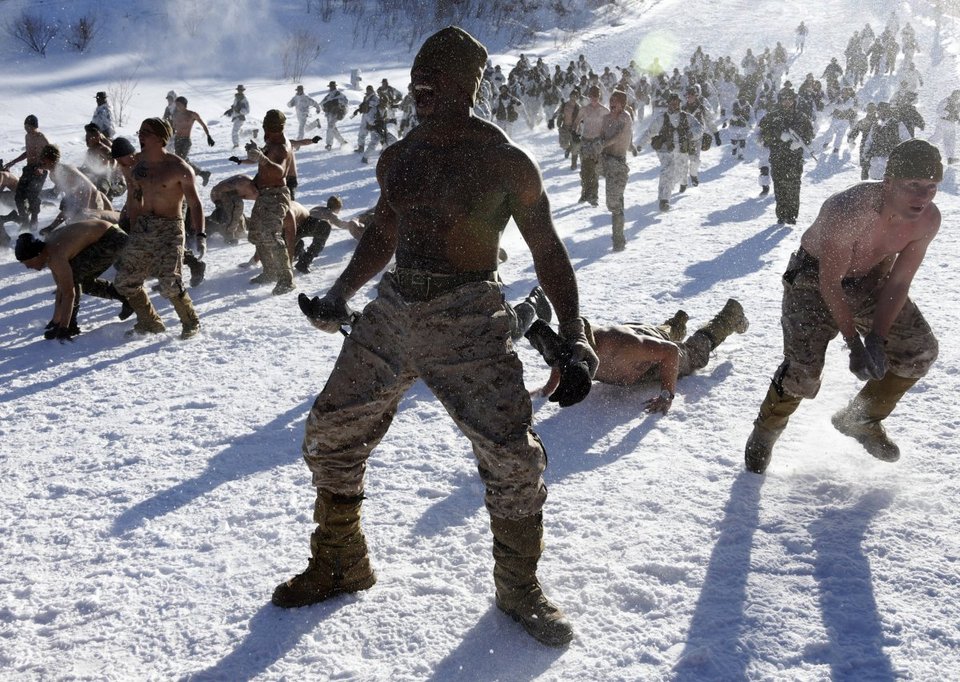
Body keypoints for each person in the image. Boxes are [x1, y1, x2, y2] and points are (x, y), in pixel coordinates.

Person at [274, 26, 598, 648]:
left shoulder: (506, 161)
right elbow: (383, 234)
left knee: (511, 456)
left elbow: (549, 251)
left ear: (469, 84)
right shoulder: (399, 157)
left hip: (471, 315)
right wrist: (341, 295)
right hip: (394, 310)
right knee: (331, 432)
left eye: (436, 76)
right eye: (417, 74)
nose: (421, 86)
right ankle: (341, 561)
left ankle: (518, 589)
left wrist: (573, 329)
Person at [744, 140, 942, 474]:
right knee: (803, 371)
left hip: (870, 280)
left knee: (918, 351)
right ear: (888, 181)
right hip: (813, 278)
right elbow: (829, 284)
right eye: (912, 186)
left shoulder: (927, 221)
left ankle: (862, 418)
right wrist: (854, 343)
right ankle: (767, 429)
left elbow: (897, 282)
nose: (922, 198)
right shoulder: (849, 209)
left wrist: (877, 339)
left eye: (931, 188)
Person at [528, 299, 748, 414]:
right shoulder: (573, 346)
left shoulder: (621, 347)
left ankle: (729, 316)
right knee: (659, 336)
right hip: (641, 336)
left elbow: (669, 353)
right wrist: (549, 388)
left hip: (648, 354)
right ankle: (676, 324)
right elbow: (561, 360)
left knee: (693, 355)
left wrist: (666, 393)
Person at [113, 117, 204, 338]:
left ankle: (190, 323)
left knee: (169, 282)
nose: (140, 136)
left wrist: (200, 234)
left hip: (170, 229)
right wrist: (133, 228)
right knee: (125, 281)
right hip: (143, 226)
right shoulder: (138, 165)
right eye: (140, 131)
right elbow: (134, 198)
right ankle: (150, 322)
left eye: (146, 132)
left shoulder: (179, 168)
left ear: (160, 138)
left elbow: (195, 203)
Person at [14, 220, 131, 340]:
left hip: (114, 238)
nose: (28, 267)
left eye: (27, 263)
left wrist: (64, 327)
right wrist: (55, 321)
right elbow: (61, 287)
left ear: (36, 255)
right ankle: (126, 297)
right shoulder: (48, 252)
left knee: (74, 275)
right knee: (82, 282)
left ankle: (71, 325)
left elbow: (69, 294)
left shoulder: (56, 255)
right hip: (110, 235)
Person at [228, 110, 295, 295]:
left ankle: (286, 279)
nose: (270, 132)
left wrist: (262, 158)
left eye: (273, 129)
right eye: (268, 128)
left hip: (276, 195)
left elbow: (279, 171)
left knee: (271, 235)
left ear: (280, 128)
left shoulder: (281, 146)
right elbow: (264, 169)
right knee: (256, 233)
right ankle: (270, 272)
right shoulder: (271, 143)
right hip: (265, 195)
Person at [758, 87, 814, 225]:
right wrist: (778, 136)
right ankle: (782, 215)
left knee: (794, 186)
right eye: (784, 99)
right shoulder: (771, 117)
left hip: (795, 158)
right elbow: (761, 135)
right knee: (780, 186)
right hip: (778, 157)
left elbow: (809, 135)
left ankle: (792, 215)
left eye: (790, 99)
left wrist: (800, 144)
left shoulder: (801, 117)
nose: (787, 102)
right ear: (780, 101)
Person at [638, 91, 702, 212]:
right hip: (665, 151)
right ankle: (664, 199)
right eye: (671, 103)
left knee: (681, 170)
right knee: (667, 170)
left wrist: (691, 134)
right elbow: (650, 132)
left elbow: (699, 127)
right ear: (668, 104)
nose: (674, 105)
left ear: (679, 103)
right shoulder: (661, 118)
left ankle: (683, 182)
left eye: (676, 103)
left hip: (682, 150)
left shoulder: (686, 117)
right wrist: (640, 144)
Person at [36, 144, 112, 234]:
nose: (40, 161)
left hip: (92, 199)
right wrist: (51, 227)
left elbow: (89, 188)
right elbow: (71, 201)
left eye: (43, 158)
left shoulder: (65, 170)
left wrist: (86, 209)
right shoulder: (53, 175)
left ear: (51, 159)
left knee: (93, 232)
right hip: (81, 202)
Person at [2, 115, 50, 230]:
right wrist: (13, 162)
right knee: (19, 195)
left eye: (29, 127)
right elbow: (27, 153)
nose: (27, 129)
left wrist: (42, 168)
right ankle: (24, 219)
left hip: (40, 170)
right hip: (29, 168)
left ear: (35, 126)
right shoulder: (27, 137)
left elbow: (51, 155)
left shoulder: (41, 137)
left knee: (32, 195)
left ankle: (34, 218)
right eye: (25, 127)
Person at [599, 90, 632, 251]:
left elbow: (619, 136)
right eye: (611, 100)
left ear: (623, 104)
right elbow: (602, 136)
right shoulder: (605, 119)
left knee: (613, 202)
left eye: (616, 101)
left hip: (618, 163)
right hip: (605, 161)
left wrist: (602, 144)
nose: (612, 103)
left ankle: (618, 239)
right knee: (614, 199)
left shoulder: (625, 117)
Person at [293, 195, 361, 273]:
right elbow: (340, 224)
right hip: (317, 225)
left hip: (303, 224)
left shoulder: (317, 208)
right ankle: (303, 263)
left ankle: (299, 252)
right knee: (318, 244)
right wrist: (351, 224)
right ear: (337, 208)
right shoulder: (331, 214)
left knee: (298, 240)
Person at [573, 85, 609, 207]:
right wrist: (575, 132)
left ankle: (594, 197)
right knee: (584, 170)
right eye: (592, 96)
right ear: (589, 97)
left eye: (596, 96)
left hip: (597, 143)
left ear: (599, 97)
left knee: (595, 170)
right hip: (585, 141)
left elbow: (609, 126)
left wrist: (606, 140)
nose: (594, 99)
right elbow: (576, 121)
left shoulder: (604, 111)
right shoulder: (584, 110)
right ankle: (584, 194)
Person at [171, 96, 214, 186]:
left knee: (182, 160)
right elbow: (172, 127)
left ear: (184, 105)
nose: (177, 106)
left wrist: (208, 136)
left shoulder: (192, 114)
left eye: (179, 104)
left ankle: (188, 178)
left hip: (186, 140)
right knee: (181, 160)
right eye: (176, 104)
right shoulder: (175, 115)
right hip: (177, 140)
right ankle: (202, 174)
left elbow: (203, 124)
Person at [319, 81, 349, 150]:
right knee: (333, 129)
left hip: (337, 113)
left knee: (330, 127)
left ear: (335, 86)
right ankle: (342, 142)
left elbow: (346, 101)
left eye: (333, 86)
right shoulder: (328, 95)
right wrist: (325, 106)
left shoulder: (339, 94)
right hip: (329, 114)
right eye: (330, 86)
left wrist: (338, 101)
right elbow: (321, 103)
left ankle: (329, 144)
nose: (331, 87)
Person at [224, 84, 250, 149]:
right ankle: (252, 132)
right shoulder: (237, 98)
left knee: (234, 132)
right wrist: (231, 110)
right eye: (239, 90)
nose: (239, 91)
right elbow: (235, 107)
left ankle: (236, 145)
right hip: (236, 117)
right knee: (239, 132)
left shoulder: (244, 99)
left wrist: (239, 110)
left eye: (241, 90)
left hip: (240, 117)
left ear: (243, 90)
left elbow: (247, 110)